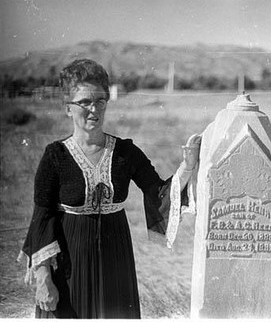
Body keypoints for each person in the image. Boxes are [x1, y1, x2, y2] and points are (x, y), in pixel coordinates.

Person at [17, 59, 200, 318]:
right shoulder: (55, 156)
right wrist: (43, 277)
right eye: (85, 102)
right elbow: (42, 218)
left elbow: (159, 191)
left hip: (116, 257)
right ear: (68, 108)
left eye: (100, 101)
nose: (94, 109)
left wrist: (187, 166)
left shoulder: (125, 152)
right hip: (70, 260)